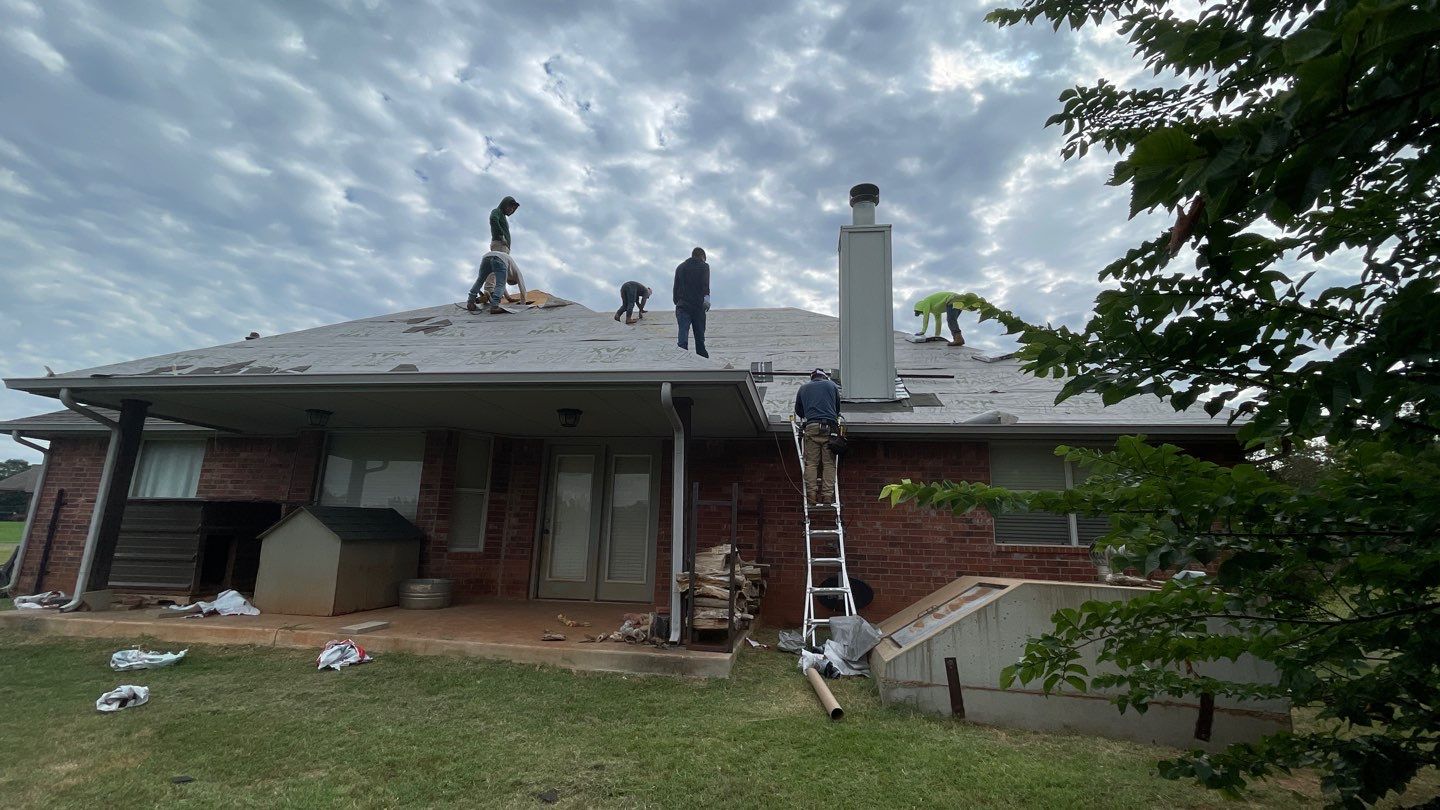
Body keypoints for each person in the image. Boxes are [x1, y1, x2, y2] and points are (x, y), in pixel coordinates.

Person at [795, 368, 841, 505]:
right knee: (829, 464)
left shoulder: (803, 388)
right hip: (829, 429)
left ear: (812, 377)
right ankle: (827, 496)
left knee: (811, 464)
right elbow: (837, 408)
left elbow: (799, 411)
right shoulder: (832, 385)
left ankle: (811, 495)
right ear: (824, 377)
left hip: (811, 427)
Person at [673, 247, 710, 358]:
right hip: (698, 306)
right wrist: (707, 299)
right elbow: (705, 285)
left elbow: (675, 288)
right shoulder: (704, 266)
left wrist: (677, 302)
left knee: (683, 332)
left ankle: (681, 356)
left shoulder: (680, 267)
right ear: (702, 256)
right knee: (699, 336)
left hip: (682, 305)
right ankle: (702, 358)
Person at [467, 245, 527, 314]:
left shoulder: (510, 271)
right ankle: (494, 306)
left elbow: (503, 286)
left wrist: (509, 298)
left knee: (480, 280)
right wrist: (523, 304)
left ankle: (470, 302)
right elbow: (522, 288)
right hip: (500, 259)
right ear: (514, 280)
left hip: (486, 257)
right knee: (500, 285)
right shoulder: (518, 273)